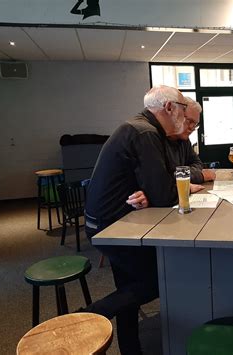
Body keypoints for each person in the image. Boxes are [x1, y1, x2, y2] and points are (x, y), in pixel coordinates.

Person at [83, 85, 187, 355]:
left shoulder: (139, 126)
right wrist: (154, 193)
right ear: (168, 108)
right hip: (112, 226)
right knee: (159, 280)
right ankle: (91, 315)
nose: (185, 116)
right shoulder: (146, 133)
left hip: (110, 221)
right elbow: (163, 192)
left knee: (128, 287)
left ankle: (130, 348)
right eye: (183, 108)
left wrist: (151, 193)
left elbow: (154, 186)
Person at [166, 97, 215, 184]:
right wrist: (201, 176)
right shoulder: (156, 138)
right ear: (177, 116)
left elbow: (197, 163)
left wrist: (187, 174)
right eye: (189, 121)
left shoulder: (184, 140)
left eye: (195, 124)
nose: (192, 128)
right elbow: (165, 179)